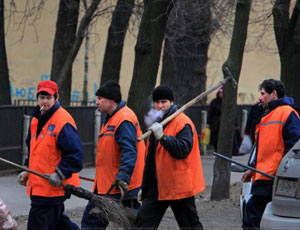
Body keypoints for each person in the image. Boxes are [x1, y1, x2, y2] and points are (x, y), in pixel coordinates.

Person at [134, 85, 205, 229]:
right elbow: (152, 160)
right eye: (157, 102)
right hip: (157, 186)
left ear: (171, 102)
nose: (160, 106)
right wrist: (146, 187)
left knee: (190, 225)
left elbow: (183, 149)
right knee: (142, 223)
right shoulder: (157, 123)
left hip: (179, 185)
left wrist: (163, 137)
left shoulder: (182, 122)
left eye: (164, 102)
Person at [17, 80, 83, 230]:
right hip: (40, 185)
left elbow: (75, 155)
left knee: (38, 224)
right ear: (37, 98)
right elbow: (33, 149)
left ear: (56, 98)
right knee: (57, 222)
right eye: (42, 97)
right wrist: (27, 170)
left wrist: (60, 174)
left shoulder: (62, 120)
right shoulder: (35, 119)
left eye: (49, 98)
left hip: (52, 187)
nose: (45, 101)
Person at [81, 80, 145, 229]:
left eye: (100, 99)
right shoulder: (112, 117)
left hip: (116, 185)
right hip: (108, 184)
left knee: (91, 221)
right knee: (133, 222)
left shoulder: (124, 119)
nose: (96, 102)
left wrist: (123, 177)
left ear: (111, 100)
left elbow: (129, 151)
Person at [241, 79, 300, 229]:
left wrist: (284, 172)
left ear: (273, 94)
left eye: (262, 93)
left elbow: (293, 147)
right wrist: (252, 167)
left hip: (272, 176)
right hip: (263, 175)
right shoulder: (268, 115)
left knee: (251, 217)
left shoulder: (287, 113)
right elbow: (261, 148)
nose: (259, 97)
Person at [207, 86, 223, 152]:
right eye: (221, 93)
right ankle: (216, 150)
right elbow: (210, 113)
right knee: (215, 137)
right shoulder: (214, 102)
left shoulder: (226, 102)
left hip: (223, 123)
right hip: (215, 123)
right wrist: (208, 123)